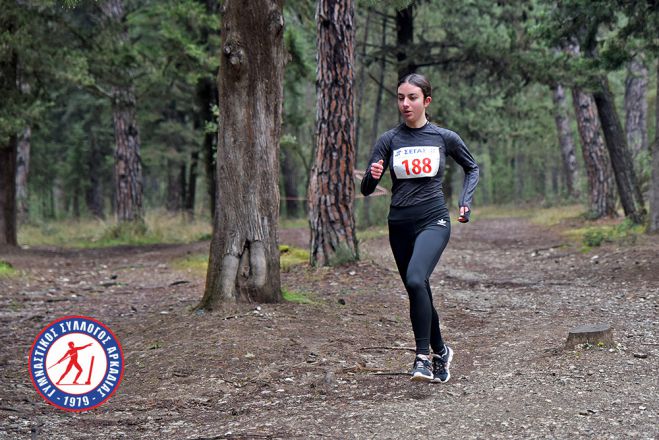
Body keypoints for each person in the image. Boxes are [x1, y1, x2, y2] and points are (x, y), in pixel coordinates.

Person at [360, 73, 479, 383]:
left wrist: (465, 201)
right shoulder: (389, 140)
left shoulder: (443, 137)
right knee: (418, 287)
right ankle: (442, 350)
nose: (405, 104)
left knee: (415, 278)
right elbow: (366, 189)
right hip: (399, 224)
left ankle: (422, 358)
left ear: (426, 101)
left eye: (411, 98)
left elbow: (472, 167)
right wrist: (373, 175)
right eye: (400, 98)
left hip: (433, 220)